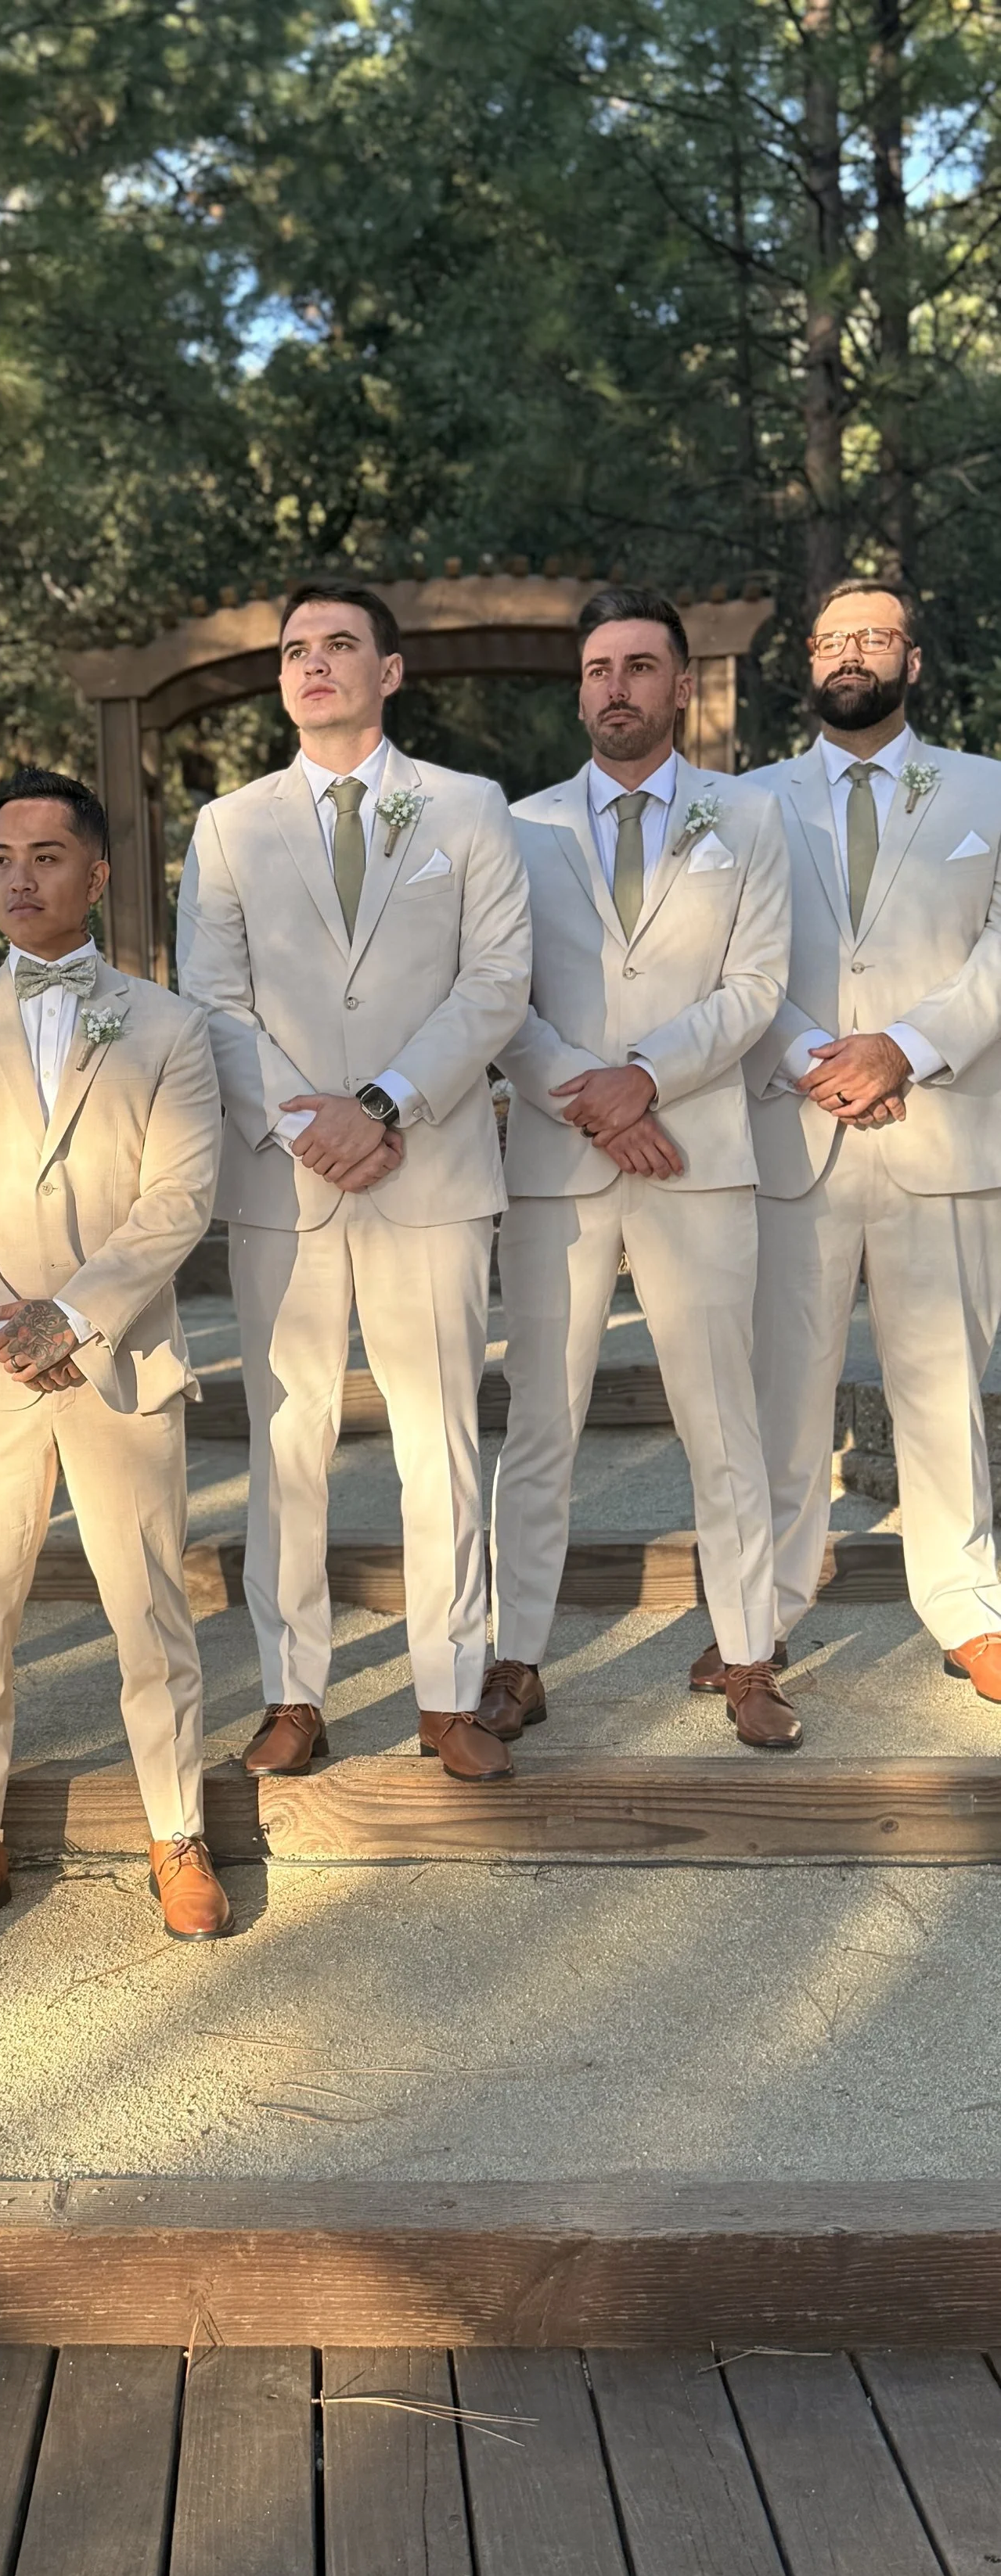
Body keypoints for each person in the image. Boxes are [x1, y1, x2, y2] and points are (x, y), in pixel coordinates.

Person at [177, 585, 531, 1781]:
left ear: (390, 671)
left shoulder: (470, 808)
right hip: (286, 1183)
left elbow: (496, 984)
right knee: (290, 1442)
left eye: (339, 646)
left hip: (427, 1165)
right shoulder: (228, 825)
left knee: (439, 1436)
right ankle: (294, 1691)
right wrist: (307, 1124)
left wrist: (379, 1104)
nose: (314, 664)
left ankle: (447, 1692)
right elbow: (213, 1002)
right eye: (295, 650)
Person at [0, 767, 229, 1946]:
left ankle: (176, 1831)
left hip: (117, 1360)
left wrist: (72, 1321)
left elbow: (179, 1196)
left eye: (43, 855)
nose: (18, 878)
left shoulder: (172, 1027)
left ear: (98, 873)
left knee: (149, 1612)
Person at [488, 587, 801, 1748]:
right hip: (562, 1167)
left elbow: (758, 985)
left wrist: (648, 1079)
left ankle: (753, 1655)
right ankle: (516, 1657)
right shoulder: (514, 827)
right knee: (542, 1422)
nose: (613, 686)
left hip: (699, 1157)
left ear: (679, 686)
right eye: (596, 669)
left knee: (725, 1418)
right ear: (581, 690)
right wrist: (600, 1100)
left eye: (637, 666)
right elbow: (497, 1003)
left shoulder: (747, 817)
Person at [745, 577, 1001, 1697]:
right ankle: (764, 1608)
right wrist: (819, 1058)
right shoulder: (743, 803)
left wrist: (902, 1045)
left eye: (877, 637)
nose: (854, 653)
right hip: (795, 1140)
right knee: (782, 1393)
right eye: (835, 637)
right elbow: (727, 959)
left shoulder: (989, 789)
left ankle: (968, 1602)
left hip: (942, 1130)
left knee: (943, 1390)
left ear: (913, 660)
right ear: (808, 658)